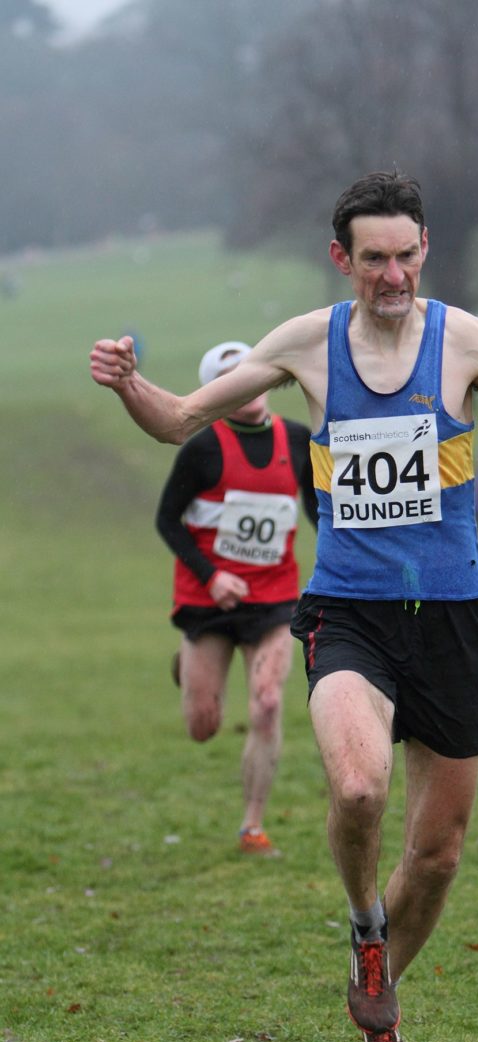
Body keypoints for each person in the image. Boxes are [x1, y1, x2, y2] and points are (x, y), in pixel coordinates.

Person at [90, 170, 478, 1042]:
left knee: (438, 855)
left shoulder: (467, 342)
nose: (393, 276)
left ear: (426, 250)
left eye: (406, 256)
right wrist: (128, 385)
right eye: (374, 259)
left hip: (452, 616)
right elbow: (178, 420)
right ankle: (364, 921)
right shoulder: (308, 343)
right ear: (342, 259)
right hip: (348, 610)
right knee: (359, 789)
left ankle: (378, 982)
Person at [155, 341, 318, 856]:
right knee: (202, 728)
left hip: (275, 598)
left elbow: (320, 511)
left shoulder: (297, 439)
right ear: (216, 391)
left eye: (252, 371)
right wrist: (212, 577)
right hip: (210, 600)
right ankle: (190, 664)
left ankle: (252, 826)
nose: (247, 384)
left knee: (267, 703)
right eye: (231, 377)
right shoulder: (202, 449)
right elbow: (167, 520)